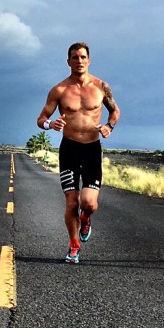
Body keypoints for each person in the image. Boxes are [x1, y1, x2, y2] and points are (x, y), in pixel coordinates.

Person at [37, 42, 120, 264]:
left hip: (92, 148)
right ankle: (74, 245)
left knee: (89, 204)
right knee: (72, 203)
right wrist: (50, 124)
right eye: (75, 57)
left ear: (89, 60)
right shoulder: (59, 90)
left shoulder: (101, 87)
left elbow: (115, 111)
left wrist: (109, 127)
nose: (79, 61)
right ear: (68, 61)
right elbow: (41, 118)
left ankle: (86, 218)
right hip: (70, 149)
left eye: (83, 57)